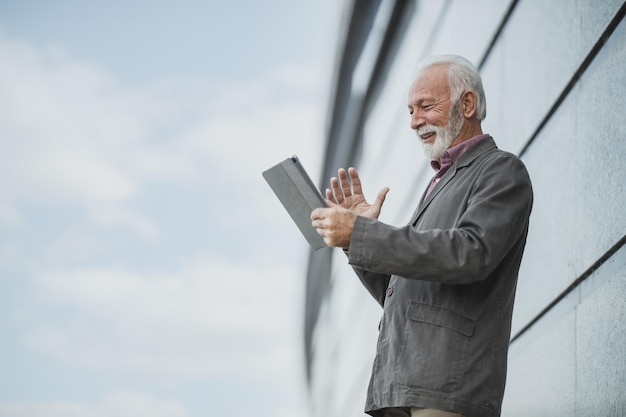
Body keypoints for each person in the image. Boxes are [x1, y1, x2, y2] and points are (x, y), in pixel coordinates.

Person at [311, 55, 533, 417]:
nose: (414, 121)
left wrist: (366, 235)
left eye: (425, 106)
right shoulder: (441, 183)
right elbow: (400, 291)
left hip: (448, 388)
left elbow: (469, 254)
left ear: (468, 104)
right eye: (410, 111)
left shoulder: (500, 170)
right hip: (401, 387)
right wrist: (357, 238)